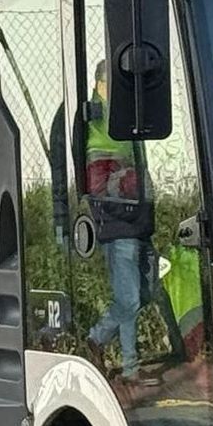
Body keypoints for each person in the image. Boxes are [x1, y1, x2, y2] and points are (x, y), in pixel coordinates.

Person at [81, 60, 160, 386]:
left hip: (136, 221)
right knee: (129, 298)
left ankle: (98, 340)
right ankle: (128, 368)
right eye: (116, 84)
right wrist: (129, 180)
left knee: (142, 293)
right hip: (118, 224)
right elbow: (98, 183)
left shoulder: (123, 121)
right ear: (101, 84)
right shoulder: (98, 123)